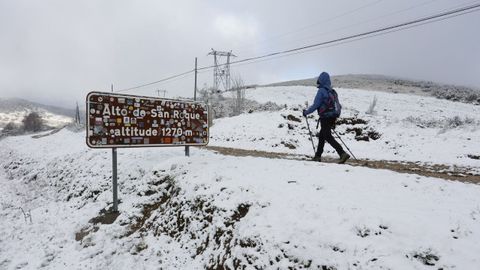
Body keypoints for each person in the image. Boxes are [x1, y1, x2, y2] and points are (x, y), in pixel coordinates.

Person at [303, 72, 350, 164]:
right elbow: (338, 105)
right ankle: (318, 156)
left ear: (321, 80)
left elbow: (316, 105)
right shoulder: (332, 92)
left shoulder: (321, 91)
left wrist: (306, 112)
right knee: (322, 136)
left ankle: (342, 153)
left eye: (319, 81)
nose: (318, 82)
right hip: (333, 117)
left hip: (325, 117)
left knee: (327, 136)